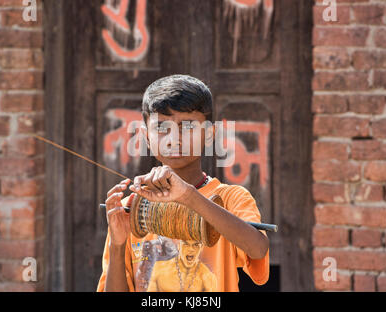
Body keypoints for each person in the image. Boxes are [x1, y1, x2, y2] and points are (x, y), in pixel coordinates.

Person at [97, 75, 270, 292]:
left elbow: (258, 249)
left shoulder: (232, 198)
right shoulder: (131, 207)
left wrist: (188, 195)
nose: (174, 138)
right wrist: (117, 245)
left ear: (209, 135)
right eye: (161, 127)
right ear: (146, 137)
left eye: (187, 127)